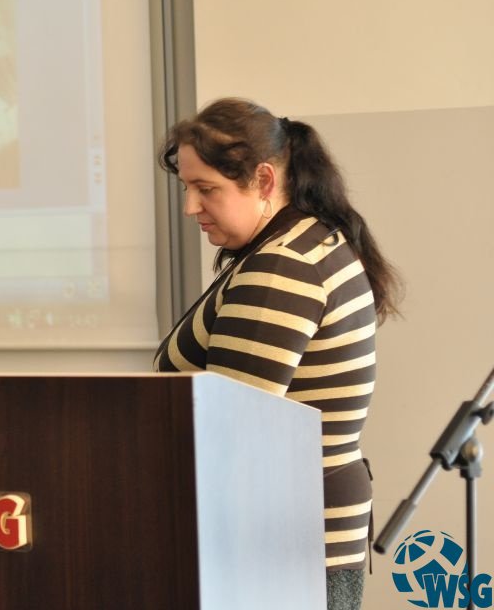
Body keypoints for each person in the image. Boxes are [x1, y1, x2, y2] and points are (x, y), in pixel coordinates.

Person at [153, 98, 401, 610]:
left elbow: (235, 440)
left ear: (264, 180)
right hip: (295, 540)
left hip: (277, 549)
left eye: (206, 189)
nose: (190, 207)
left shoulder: (282, 267)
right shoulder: (307, 243)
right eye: (186, 188)